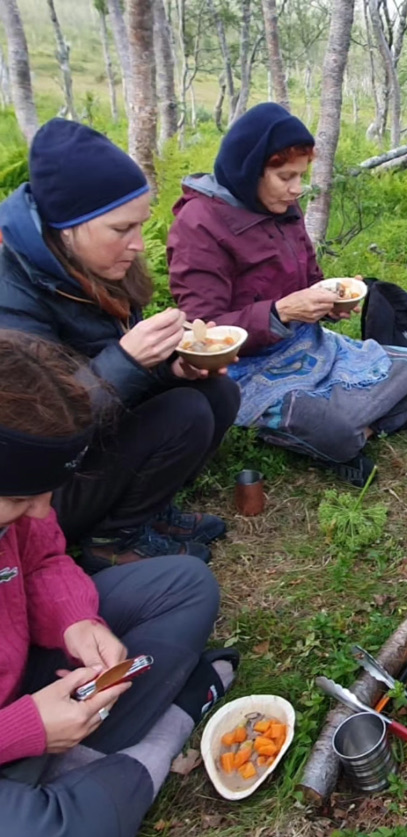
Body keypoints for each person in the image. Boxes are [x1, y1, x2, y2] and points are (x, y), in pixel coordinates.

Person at [0, 330, 239, 837]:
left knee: (185, 584)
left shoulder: (24, 511)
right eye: (17, 498)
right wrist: (21, 730)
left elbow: (41, 561)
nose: (40, 512)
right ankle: (159, 734)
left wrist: (75, 620)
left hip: (27, 681)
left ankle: (71, 756)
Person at [0, 119, 239, 573]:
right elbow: (38, 431)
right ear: (66, 229)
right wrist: (129, 359)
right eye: (120, 229)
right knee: (182, 413)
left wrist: (173, 368)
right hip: (39, 492)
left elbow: (117, 381)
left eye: (140, 226)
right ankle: (113, 540)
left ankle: (149, 510)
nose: (136, 245)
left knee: (215, 392)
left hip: (92, 438)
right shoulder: (11, 297)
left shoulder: (96, 266)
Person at [166, 102, 407, 487]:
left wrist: (330, 302)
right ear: (248, 170)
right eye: (284, 176)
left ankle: (356, 430)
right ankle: (346, 432)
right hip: (248, 369)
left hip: (310, 346)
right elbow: (204, 330)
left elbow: (310, 278)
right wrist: (280, 312)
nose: (297, 188)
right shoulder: (199, 224)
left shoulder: (284, 206)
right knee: (336, 432)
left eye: (301, 176)